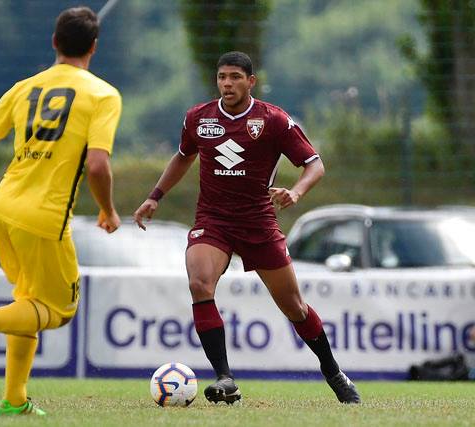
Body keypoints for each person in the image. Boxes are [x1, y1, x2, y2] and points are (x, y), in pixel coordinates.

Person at [133, 51, 360, 405]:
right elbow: (183, 156)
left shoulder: (273, 120)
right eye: (222, 76)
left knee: (295, 308)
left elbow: (314, 164)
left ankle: (333, 372)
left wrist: (296, 192)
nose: (227, 83)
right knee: (198, 282)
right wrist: (155, 196)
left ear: (250, 81)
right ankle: (226, 379)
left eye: (235, 77)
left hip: (258, 223)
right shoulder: (198, 118)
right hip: (213, 221)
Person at [0, 6, 122, 416]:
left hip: (3, 207)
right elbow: (97, 163)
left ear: (54, 42)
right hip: (44, 216)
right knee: (58, 310)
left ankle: (14, 399)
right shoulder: (102, 95)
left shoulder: (26, 87)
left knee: (27, 303)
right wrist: (109, 211)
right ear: (94, 47)